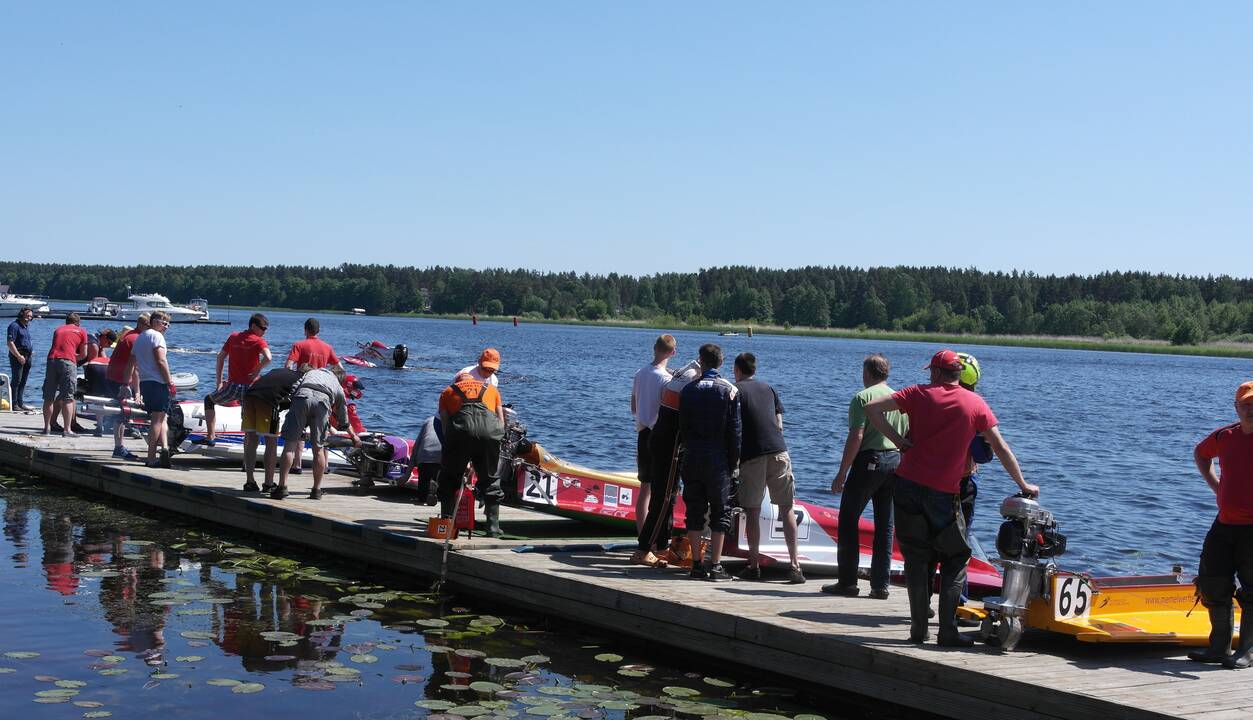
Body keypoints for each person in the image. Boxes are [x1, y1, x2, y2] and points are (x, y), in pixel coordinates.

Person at [864, 349, 1038, 647]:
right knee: (956, 557)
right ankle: (947, 631)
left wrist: (900, 442)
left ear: (934, 372)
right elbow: (1000, 448)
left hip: (906, 486)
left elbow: (872, 408)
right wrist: (1023, 483)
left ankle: (919, 629)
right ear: (959, 374)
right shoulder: (976, 404)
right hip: (945, 493)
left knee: (917, 558)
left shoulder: (917, 393)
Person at [826, 354, 908, 599]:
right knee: (886, 525)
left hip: (869, 461)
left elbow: (856, 436)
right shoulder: (899, 399)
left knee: (848, 519)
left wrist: (842, 472)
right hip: (895, 462)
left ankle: (848, 582)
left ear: (868, 373)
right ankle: (881, 585)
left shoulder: (862, 398)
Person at [1188, 381, 1253, 668]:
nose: (1251, 410)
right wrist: (1217, 488)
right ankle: (1219, 648)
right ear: (1236, 407)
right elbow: (1201, 454)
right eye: (1246, 405)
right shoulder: (1225, 436)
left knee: (1252, 591)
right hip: (1224, 525)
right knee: (1212, 582)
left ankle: (1248, 651)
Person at [734, 352, 804, 584]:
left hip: (753, 455)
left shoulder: (735, 391)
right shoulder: (769, 388)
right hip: (779, 451)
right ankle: (795, 566)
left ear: (737, 370)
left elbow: (734, 428)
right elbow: (779, 425)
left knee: (752, 510)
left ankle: (753, 566)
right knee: (787, 509)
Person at [679, 343, 741, 581]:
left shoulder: (688, 389)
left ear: (701, 362)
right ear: (721, 363)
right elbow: (735, 432)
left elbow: (683, 427)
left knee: (694, 511)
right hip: (718, 459)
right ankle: (715, 565)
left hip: (693, 455)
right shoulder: (730, 390)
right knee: (720, 511)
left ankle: (695, 564)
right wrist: (734, 464)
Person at [636, 358, 702, 566]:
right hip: (670, 446)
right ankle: (643, 549)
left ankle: (663, 546)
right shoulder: (692, 382)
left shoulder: (681, 373)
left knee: (668, 497)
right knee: (662, 499)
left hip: (653, 436)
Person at [274, 365, 360, 500]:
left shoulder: (312, 373)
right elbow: (343, 416)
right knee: (318, 449)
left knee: (290, 445)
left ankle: (282, 487)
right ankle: (316, 490)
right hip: (322, 402)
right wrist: (353, 436)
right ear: (340, 379)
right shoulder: (336, 384)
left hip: (302, 397)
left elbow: (294, 388)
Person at [436, 372, 506, 536]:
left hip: (460, 435)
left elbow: (445, 425)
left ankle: (447, 523)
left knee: (449, 478)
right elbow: (501, 420)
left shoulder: (447, 392)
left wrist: (451, 450)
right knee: (490, 478)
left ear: (457, 381)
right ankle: (493, 527)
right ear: (474, 381)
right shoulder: (491, 389)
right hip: (489, 435)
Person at [630, 334, 676, 545]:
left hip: (641, 433)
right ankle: (656, 540)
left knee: (644, 489)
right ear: (672, 353)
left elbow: (633, 406)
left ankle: (642, 537)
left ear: (654, 348)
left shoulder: (640, 373)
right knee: (660, 491)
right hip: (658, 435)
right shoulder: (666, 380)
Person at [200, 314, 271, 446]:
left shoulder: (233, 337)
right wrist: (257, 370)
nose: (264, 332)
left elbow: (220, 357)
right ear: (253, 326)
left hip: (233, 387)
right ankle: (247, 461)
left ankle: (210, 437)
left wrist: (219, 382)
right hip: (251, 388)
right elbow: (268, 358)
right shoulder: (258, 341)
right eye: (262, 328)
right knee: (248, 424)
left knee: (209, 400)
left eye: (266, 329)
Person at [239, 367, 302, 493]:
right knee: (271, 443)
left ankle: (249, 481)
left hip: (249, 396)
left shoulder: (279, 371)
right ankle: (268, 483)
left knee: (251, 440)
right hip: (267, 401)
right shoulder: (301, 379)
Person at [124, 311, 174, 468]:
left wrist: (126, 383)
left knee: (161, 417)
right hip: (158, 382)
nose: (165, 326)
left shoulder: (140, 338)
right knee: (157, 420)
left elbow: (131, 363)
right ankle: (151, 457)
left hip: (145, 382)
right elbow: (160, 360)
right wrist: (170, 381)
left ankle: (165, 447)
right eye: (163, 322)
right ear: (153, 321)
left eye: (168, 324)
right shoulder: (157, 336)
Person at [104, 314, 149, 460]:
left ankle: (120, 445)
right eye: (149, 326)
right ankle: (119, 448)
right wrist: (138, 391)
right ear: (143, 325)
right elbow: (134, 368)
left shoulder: (129, 335)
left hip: (113, 376)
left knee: (121, 412)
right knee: (123, 413)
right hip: (120, 379)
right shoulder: (137, 339)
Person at [42, 313, 88, 436]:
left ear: (66, 321)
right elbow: (83, 355)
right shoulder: (81, 331)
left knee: (49, 397)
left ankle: (47, 428)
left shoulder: (58, 329)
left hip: (51, 359)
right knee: (68, 397)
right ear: (78, 323)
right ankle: (67, 430)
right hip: (67, 361)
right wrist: (73, 357)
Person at [458, 348, 506, 424]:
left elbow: (493, 402)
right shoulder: (466, 374)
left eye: (491, 370)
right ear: (479, 363)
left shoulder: (494, 380)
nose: (487, 373)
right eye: (485, 369)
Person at [6, 308, 35, 411]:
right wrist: (18, 356)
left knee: (23, 380)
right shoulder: (14, 326)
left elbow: (25, 341)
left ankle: (20, 403)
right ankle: (14, 404)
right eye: (27, 315)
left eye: (31, 316)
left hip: (27, 356)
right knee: (16, 380)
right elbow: (10, 342)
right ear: (22, 314)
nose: (29, 318)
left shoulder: (25, 327)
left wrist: (31, 351)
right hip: (17, 356)